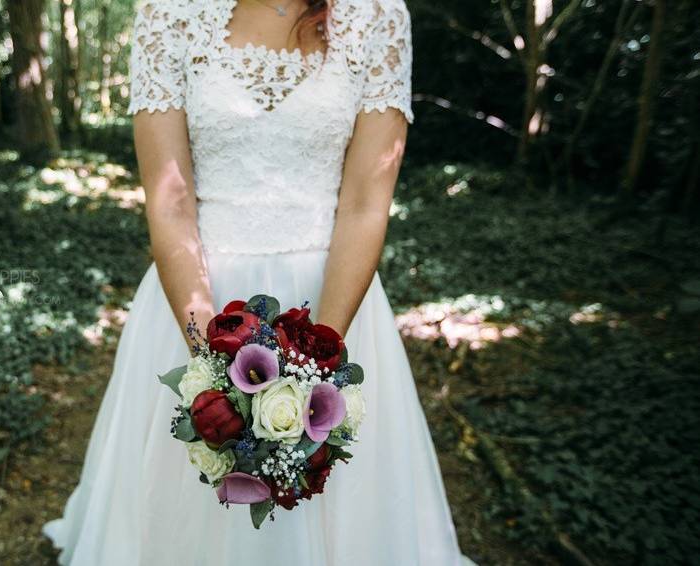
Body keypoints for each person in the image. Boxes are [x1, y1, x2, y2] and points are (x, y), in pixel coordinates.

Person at [43, 0, 474, 563]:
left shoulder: (378, 15)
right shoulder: (168, 14)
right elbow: (170, 204)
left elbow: (367, 203)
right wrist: (212, 364)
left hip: (331, 302)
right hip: (197, 301)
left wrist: (316, 357)